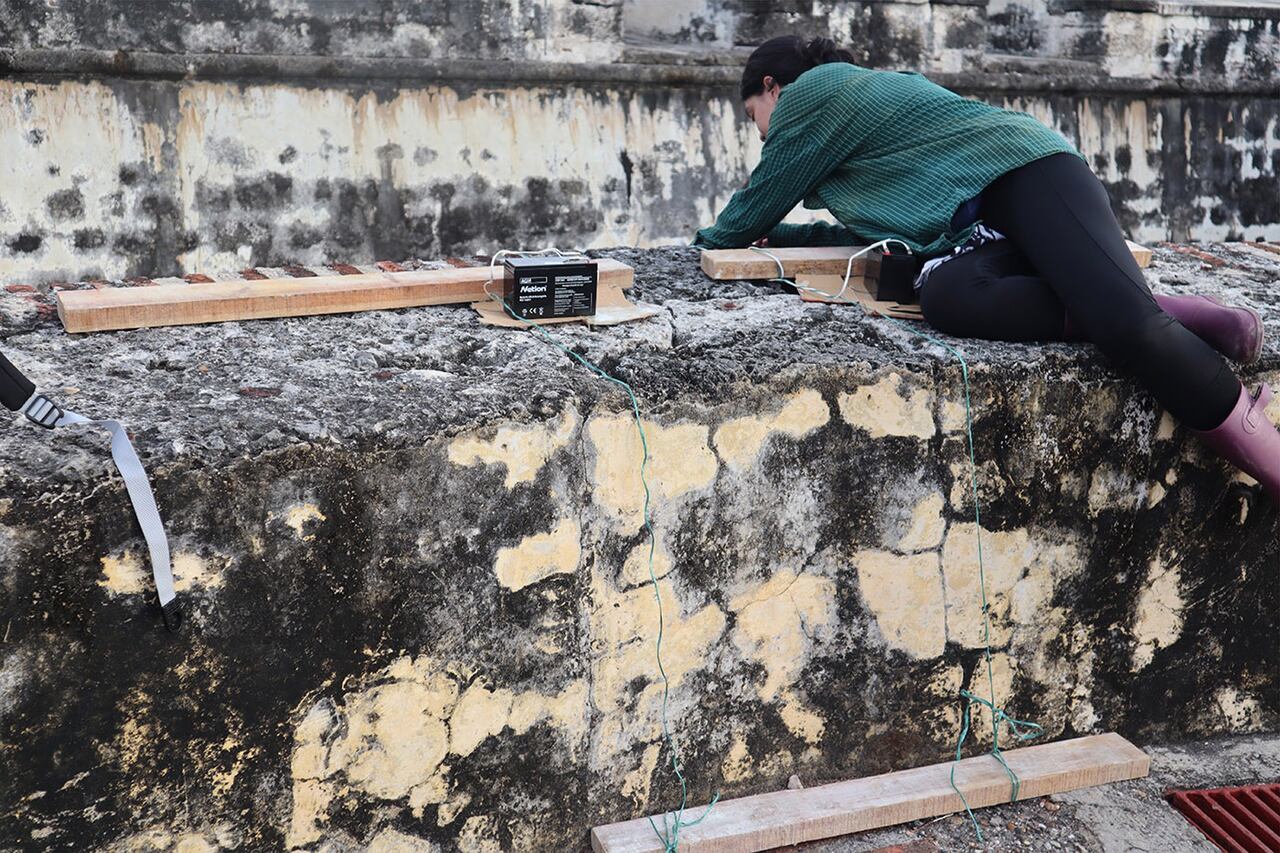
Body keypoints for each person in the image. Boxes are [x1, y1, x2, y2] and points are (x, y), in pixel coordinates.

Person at [694, 35, 1278, 501]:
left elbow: (750, 207)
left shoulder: (812, 93)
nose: (763, 132)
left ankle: (1264, 452)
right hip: (984, 225)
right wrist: (790, 235)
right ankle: (1179, 313)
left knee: (1130, 332)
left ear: (771, 87)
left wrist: (708, 241)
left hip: (1028, 174)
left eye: (754, 117)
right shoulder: (848, 134)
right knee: (950, 295)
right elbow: (877, 232)